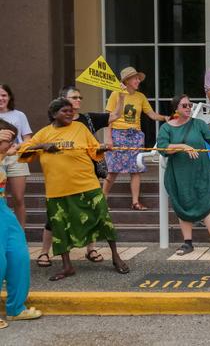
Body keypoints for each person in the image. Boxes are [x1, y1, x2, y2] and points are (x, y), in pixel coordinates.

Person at [18, 99, 129, 281]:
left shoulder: (80, 128)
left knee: (103, 219)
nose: (70, 113)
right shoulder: (44, 133)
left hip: (87, 185)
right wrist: (42, 146)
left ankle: (116, 257)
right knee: (60, 228)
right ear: (54, 114)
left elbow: (93, 150)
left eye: (71, 111)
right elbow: (23, 150)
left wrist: (102, 148)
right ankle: (67, 266)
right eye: (65, 111)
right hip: (57, 190)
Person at [157, 95, 210, 256]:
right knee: (183, 203)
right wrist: (183, 146)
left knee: (206, 202)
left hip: (200, 171)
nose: (188, 108)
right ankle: (187, 243)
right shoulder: (166, 128)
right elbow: (163, 148)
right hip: (179, 173)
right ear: (176, 108)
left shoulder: (199, 124)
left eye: (190, 105)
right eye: (184, 105)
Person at [102, 67, 169, 211]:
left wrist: (165, 118)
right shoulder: (116, 94)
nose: (138, 80)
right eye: (135, 78)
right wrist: (108, 138)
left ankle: (135, 202)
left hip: (135, 135)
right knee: (113, 170)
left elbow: (152, 114)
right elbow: (108, 118)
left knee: (136, 169)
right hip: (118, 134)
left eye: (139, 78)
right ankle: (102, 200)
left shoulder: (141, 97)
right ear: (127, 80)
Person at [0, 123, 42, 329]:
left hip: (3, 210)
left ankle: (16, 308)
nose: (13, 145)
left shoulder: (3, 156)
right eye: (10, 140)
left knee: (18, 256)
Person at [0, 84, 32, 227]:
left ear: (9, 97)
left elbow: (28, 139)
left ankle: (21, 234)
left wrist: (17, 146)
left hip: (15, 158)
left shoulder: (19, 115)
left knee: (18, 198)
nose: (1, 98)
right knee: (2, 199)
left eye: (4, 95)